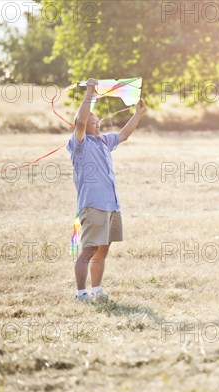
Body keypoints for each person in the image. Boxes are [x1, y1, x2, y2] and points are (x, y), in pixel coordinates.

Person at [67, 78, 147, 302]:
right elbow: (81, 122)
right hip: (93, 204)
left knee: (103, 249)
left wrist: (138, 114)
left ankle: (97, 288)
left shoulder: (103, 141)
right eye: (93, 120)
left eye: (97, 119)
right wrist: (90, 92)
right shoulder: (79, 144)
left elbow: (123, 135)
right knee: (90, 249)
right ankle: (81, 292)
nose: (97, 122)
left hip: (111, 204)